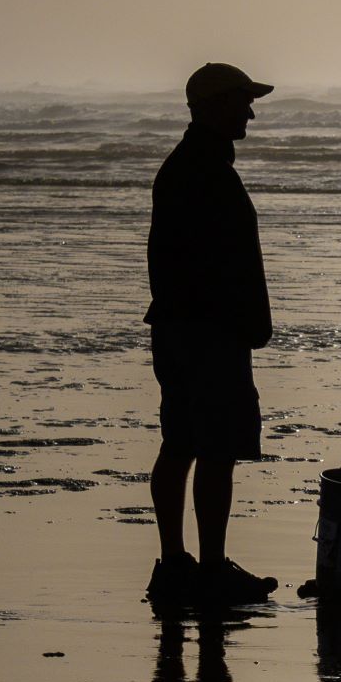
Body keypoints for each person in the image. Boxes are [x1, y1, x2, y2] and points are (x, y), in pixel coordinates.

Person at [144, 62, 280, 609]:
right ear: (214, 106)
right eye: (242, 102)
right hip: (208, 334)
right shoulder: (207, 172)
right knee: (216, 449)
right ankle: (210, 568)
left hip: (179, 329)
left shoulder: (184, 167)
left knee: (180, 444)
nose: (249, 112)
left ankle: (178, 564)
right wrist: (246, 323)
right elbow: (225, 265)